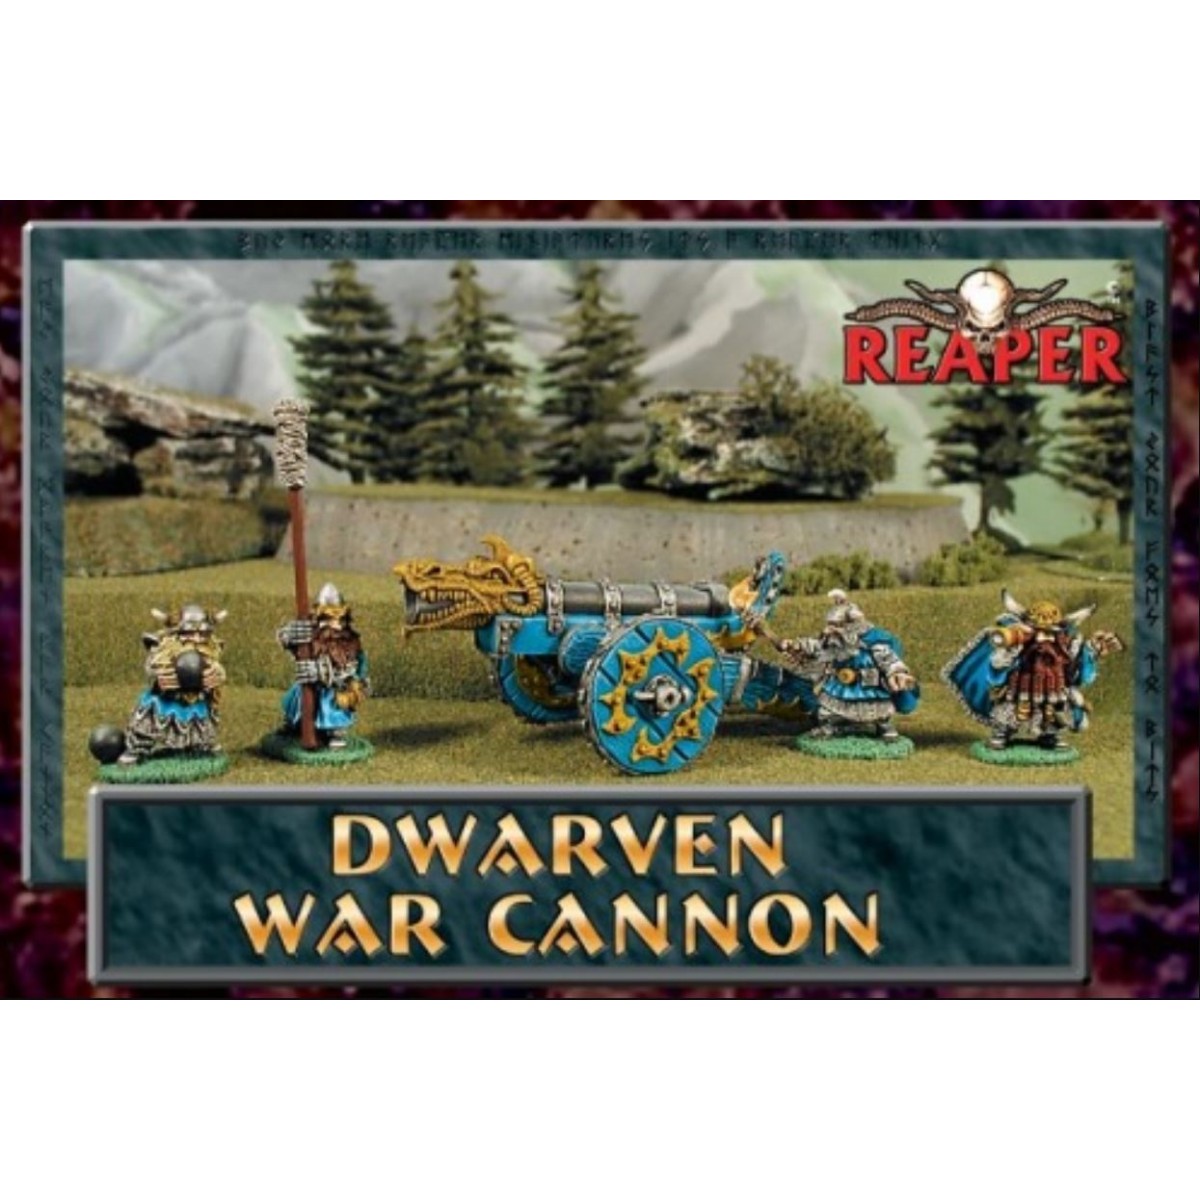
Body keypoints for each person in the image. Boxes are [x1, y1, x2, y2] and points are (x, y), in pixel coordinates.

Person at [943, 590, 1122, 751]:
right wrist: (1009, 649)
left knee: (1054, 714)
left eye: (1050, 632)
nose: (1044, 637)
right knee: (1010, 712)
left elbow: (1075, 662)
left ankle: (1050, 736)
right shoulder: (1023, 639)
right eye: (1039, 631)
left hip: (1054, 686)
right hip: (1022, 683)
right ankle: (1002, 734)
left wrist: (1092, 649)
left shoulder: (1062, 644)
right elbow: (999, 662)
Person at [753, 589, 918, 741]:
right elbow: (817, 646)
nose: (829, 630)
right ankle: (828, 728)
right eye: (830, 625)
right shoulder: (833, 642)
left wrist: (897, 673)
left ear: (851, 625)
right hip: (841, 683)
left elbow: (888, 658)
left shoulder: (873, 643)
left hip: (869, 684)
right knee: (827, 710)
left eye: (836, 626)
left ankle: (884, 728)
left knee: (879, 710)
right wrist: (795, 645)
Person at [118, 603, 227, 765]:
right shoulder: (164, 648)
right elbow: (151, 667)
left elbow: (217, 668)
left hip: (196, 698)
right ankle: (136, 749)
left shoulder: (210, 648)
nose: (197, 639)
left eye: (202, 633)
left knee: (201, 725)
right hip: (165, 698)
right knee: (148, 723)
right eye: (189, 633)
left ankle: (202, 745)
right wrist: (158, 676)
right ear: (177, 631)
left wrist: (217, 675)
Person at [276, 583, 370, 749]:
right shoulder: (312, 635)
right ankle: (294, 725)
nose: (334, 624)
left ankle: (336, 733)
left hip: (336, 686)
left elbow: (358, 663)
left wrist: (360, 680)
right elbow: (291, 644)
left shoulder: (351, 641)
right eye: (328, 619)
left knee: (334, 708)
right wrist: (290, 634)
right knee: (296, 700)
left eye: (339, 619)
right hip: (312, 684)